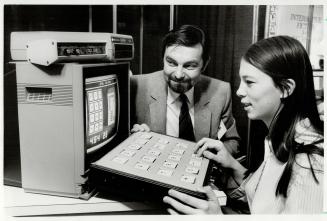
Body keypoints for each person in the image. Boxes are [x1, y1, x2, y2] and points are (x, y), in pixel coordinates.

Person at [163, 35, 324, 214]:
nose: (239, 91)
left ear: (286, 88)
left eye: (250, 82)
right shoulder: (280, 138)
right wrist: (231, 164)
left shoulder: (311, 164)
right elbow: (264, 195)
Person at [130, 24, 240, 154]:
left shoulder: (221, 91)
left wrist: (208, 154)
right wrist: (131, 138)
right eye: (171, 63)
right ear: (163, 58)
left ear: (204, 65)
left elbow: (232, 142)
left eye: (189, 66)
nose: (178, 74)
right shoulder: (135, 85)